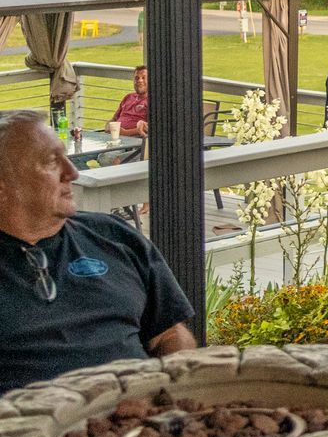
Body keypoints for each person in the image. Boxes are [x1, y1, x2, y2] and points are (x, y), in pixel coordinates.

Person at [0, 110, 195, 392]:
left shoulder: (114, 237)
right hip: (33, 428)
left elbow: (169, 334)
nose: (72, 172)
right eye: (51, 161)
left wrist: (176, 390)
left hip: (139, 418)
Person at [108, 65, 150, 138]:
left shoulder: (153, 101)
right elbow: (113, 119)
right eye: (137, 78)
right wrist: (108, 126)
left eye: (143, 78)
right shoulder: (128, 97)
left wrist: (125, 133)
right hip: (114, 138)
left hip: (134, 143)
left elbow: (148, 128)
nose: (140, 80)